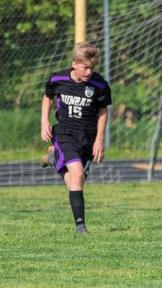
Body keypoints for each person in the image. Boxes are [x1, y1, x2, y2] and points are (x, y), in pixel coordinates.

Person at [40, 42, 111, 234]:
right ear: (74, 64)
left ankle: (55, 160)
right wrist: (44, 121)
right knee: (77, 174)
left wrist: (99, 139)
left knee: (75, 181)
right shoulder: (58, 79)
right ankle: (81, 226)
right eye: (85, 67)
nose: (89, 72)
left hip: (88, 138)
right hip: (65, 133)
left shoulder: (99, 84)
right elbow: (47, 97)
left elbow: (103, 110)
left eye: (92, 68)